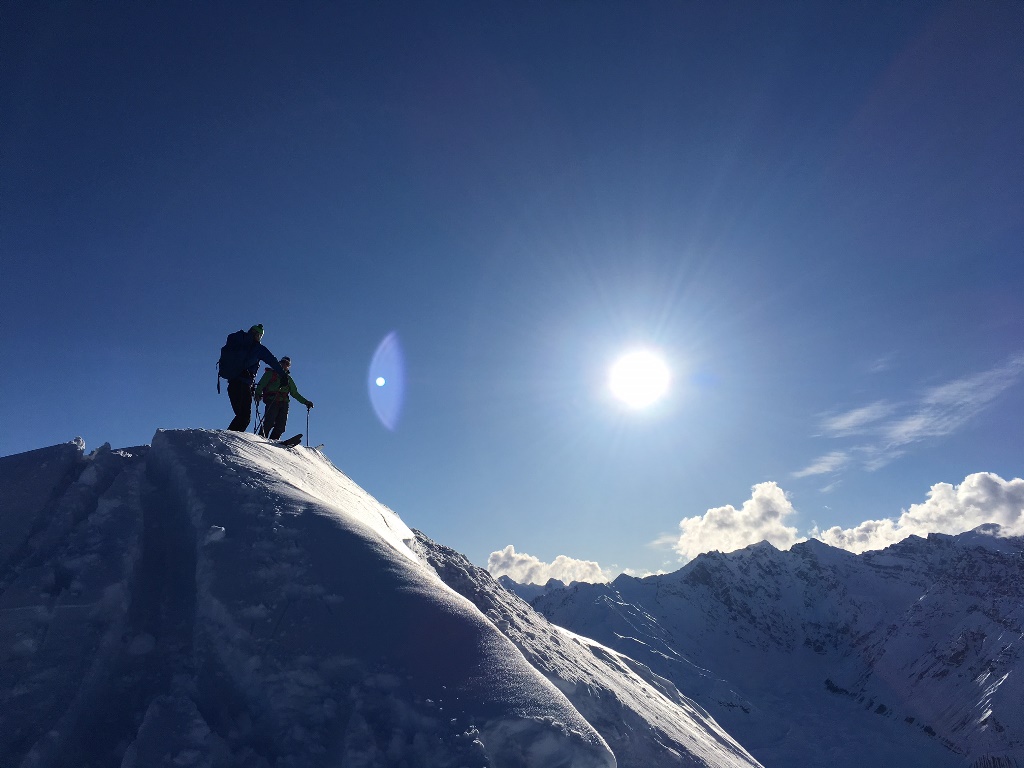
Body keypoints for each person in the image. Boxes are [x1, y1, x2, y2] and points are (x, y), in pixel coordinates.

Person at [220, 324, 289, 432]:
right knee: (244, 417)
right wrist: (283, 375)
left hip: (232, 383)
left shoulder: (237, 342)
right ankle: (229, 439)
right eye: (260, 335)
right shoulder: (257, 348)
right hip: (243, 384)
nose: (259, 338)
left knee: (241, 416)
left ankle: (229, 438)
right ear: (257, 334)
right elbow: (272, 360)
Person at [254, 356, 314, 440]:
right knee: (269, 422)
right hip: (272, 400)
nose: (285, 364)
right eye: (283, 362)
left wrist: (306, 402)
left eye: (287, 364)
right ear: (279, 363)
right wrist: (257, 394)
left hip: (284, 403)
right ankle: (260, 439)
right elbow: (261, 384)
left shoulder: (288, 379)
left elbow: (295, 393)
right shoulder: (270, 374)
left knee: (281, 426)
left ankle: (273, 441)